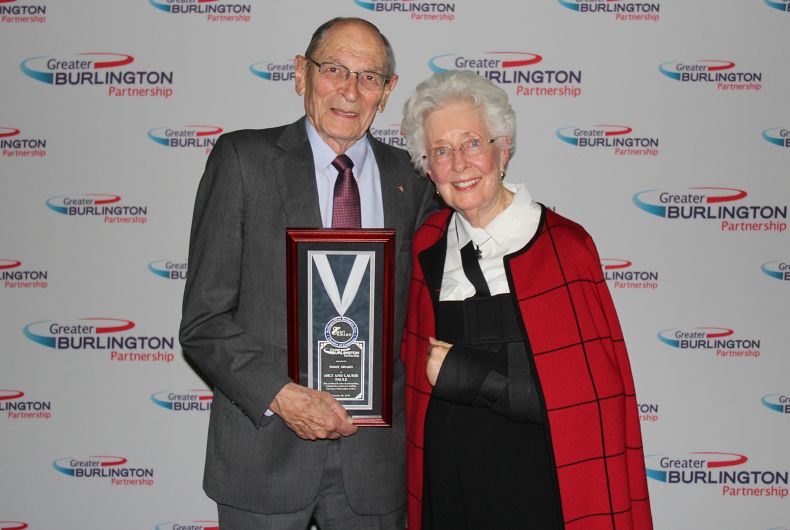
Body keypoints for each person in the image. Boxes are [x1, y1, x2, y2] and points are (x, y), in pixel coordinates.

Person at [179, 17, 435, 530]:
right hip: (263, 456)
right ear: (301, 74)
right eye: (334, 69)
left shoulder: (414, 178)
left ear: (386, 93)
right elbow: (203, 323)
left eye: (369, 77)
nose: (350, 91)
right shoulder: (243, 161)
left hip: (375, 466)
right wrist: (281, 395)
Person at [399, 70, 653, 530]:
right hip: (449, 486)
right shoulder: (427, 247)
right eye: (441, 151)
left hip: (539, 488)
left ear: (503, 150)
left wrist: (467, 376)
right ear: (427, 167)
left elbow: (587, 403)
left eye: (472, 143)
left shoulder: (565, 246)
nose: (458, 164)